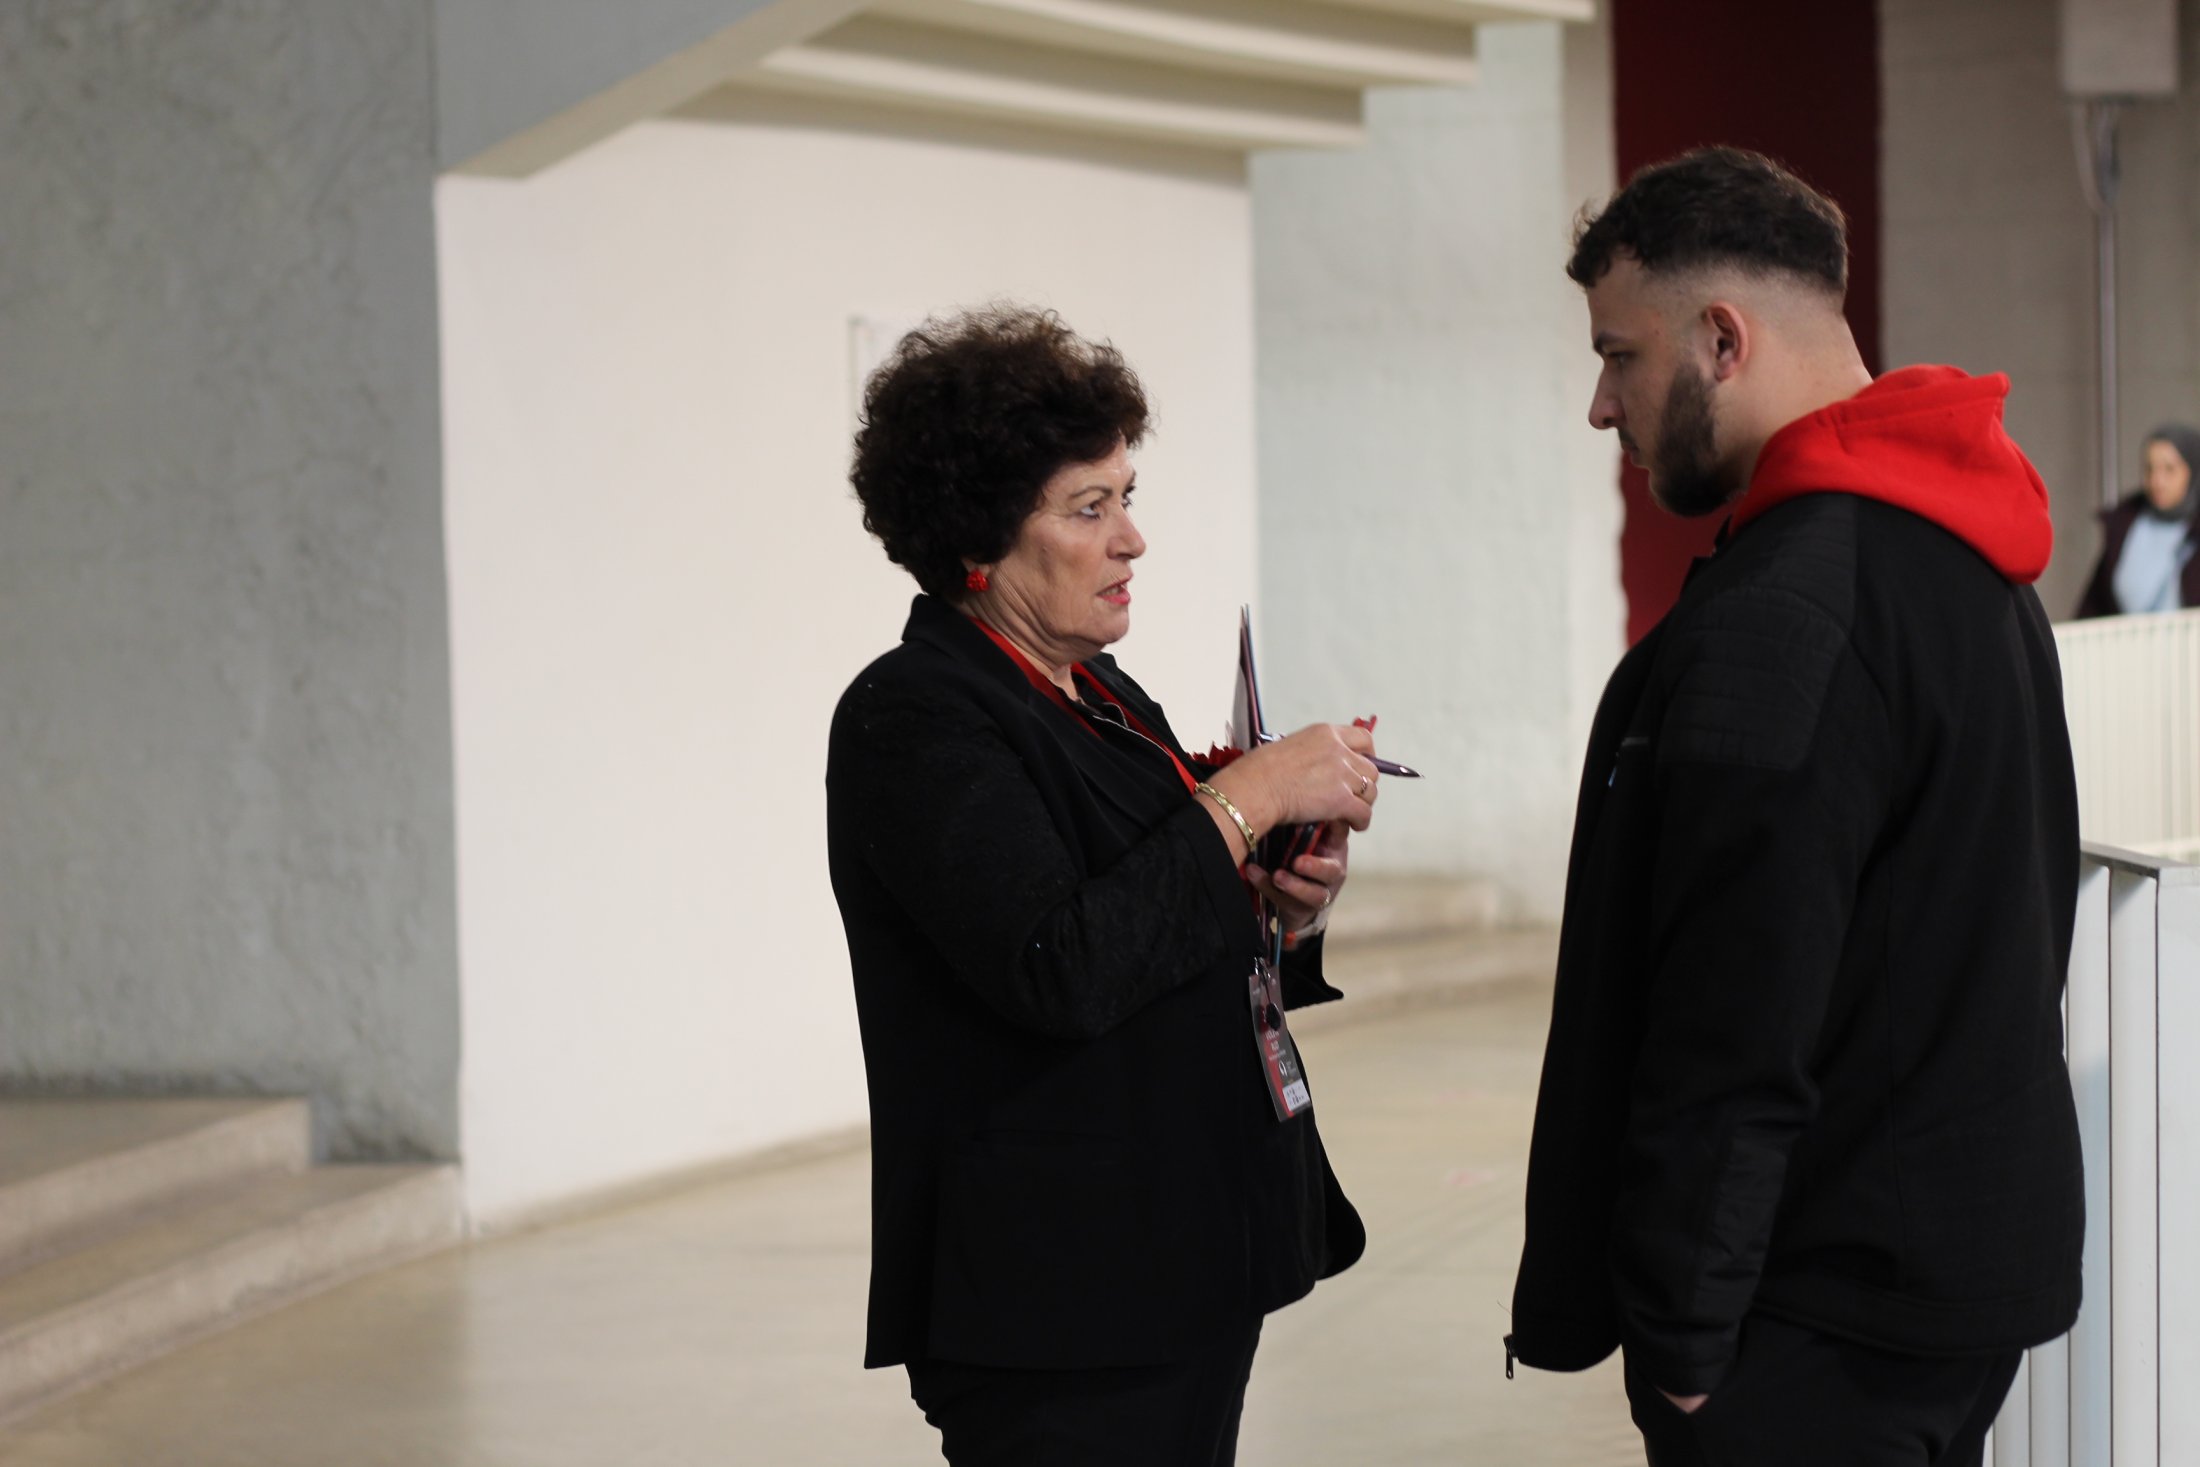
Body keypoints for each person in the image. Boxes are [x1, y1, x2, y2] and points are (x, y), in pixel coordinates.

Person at [1507, 148, 2084, 1467]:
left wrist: (1684, 1346)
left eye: (1619, 356)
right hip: (1941, 1279)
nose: (1602, 406)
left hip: (1811, 1305)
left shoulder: (1788, 614)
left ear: (1722, 339)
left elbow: (1734, 1015)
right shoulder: (1970, 558)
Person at [827, 304, 1380, 1467]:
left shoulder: (1101, 695)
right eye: (1089, 508)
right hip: (1060, 1295)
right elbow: (1059, 966)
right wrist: (1248, 797)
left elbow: (1159, 918)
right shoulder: (914, 715)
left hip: (1181, 1254)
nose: (1132, 540)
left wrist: (1284, 907)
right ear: (979, 537)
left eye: (1127, 497)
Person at [2074, 422, 2200, 616]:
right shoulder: (2124, 523)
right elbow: (2095, 603)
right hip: (2131, 634)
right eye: (2150, 469)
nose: (2158, 481)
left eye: (2169, 469)